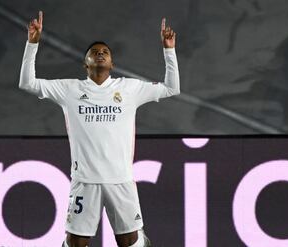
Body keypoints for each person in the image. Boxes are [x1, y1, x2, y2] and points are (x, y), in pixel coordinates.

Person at [19, 10, 180, 247]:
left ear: (112, 63)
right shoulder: (70, 89)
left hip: (120, 180)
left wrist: (169, 50)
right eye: (94, 52)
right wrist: (32, 43)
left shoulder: (128, 88)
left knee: (130, 242)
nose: (100, 54)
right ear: (86, 63)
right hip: (85, 181)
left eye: (105, 52)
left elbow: (171, 88)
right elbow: (27, 83)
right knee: (75, 243)